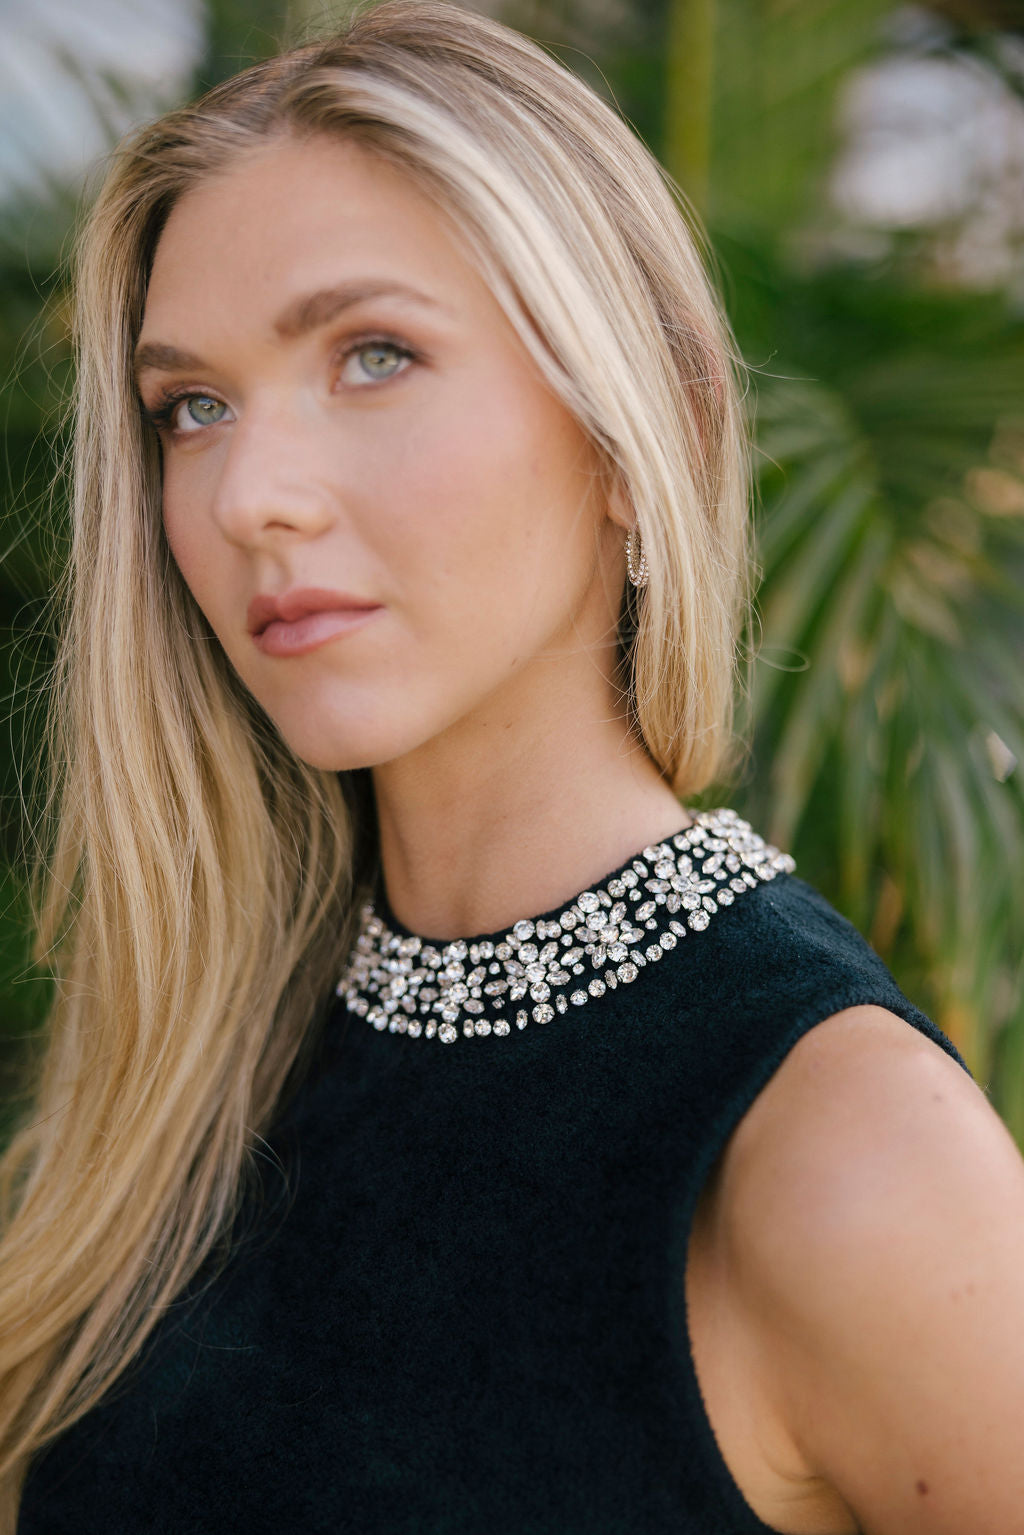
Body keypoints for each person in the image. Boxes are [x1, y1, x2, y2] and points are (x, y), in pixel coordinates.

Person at [2, 1, 1023, 1530]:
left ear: (632, 427)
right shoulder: (183, 1071)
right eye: (192, 407)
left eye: (374, 354)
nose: (249, 497)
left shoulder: (846, 1156)